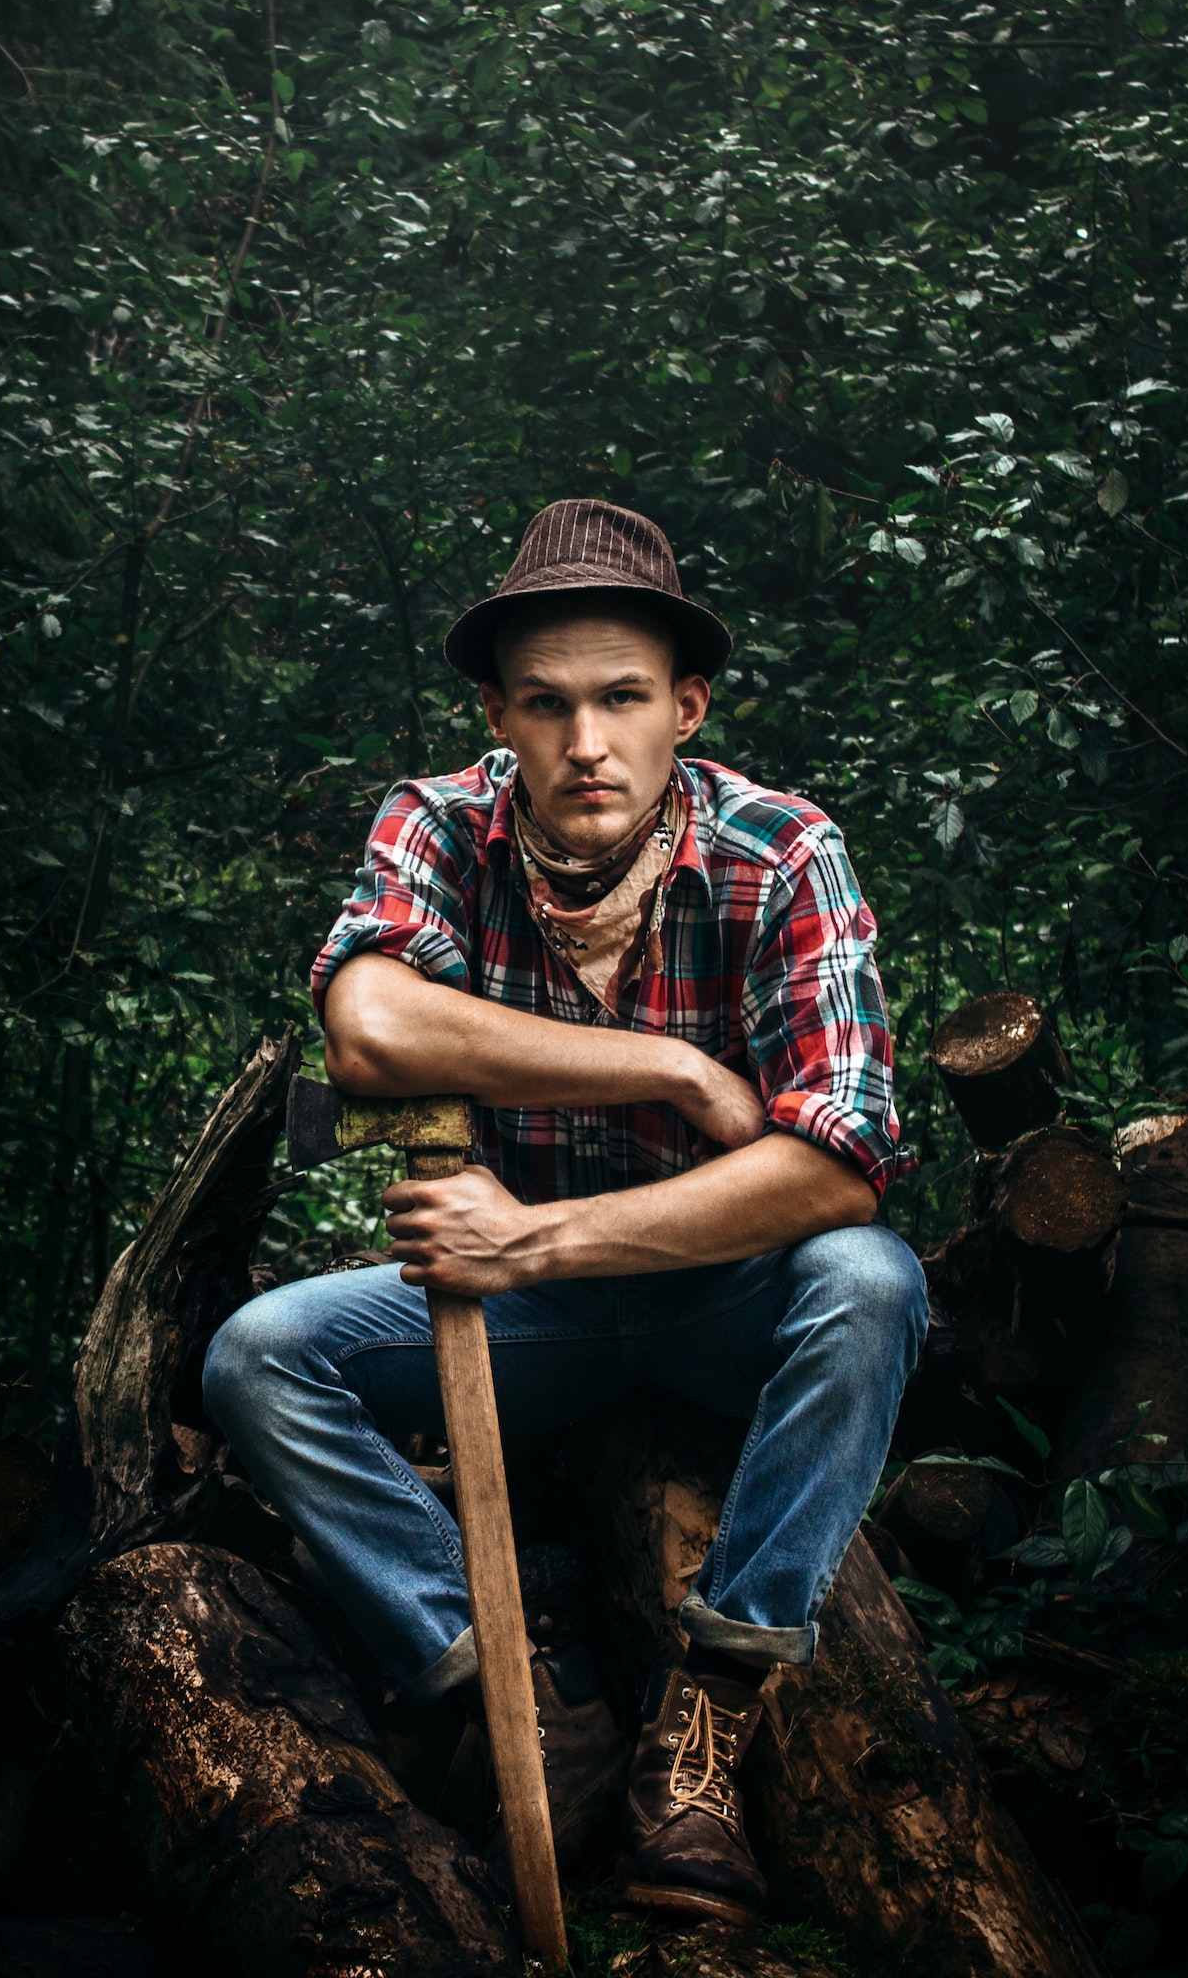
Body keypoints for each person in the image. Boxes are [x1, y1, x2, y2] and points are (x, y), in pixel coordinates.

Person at [203, 498, 926, 1924]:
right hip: (538, 1319)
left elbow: (838, 1165)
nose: (585, 743)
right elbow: (370, 1028)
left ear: (687, 708)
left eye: (622, 699)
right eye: (545, 705)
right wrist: (669, 1068)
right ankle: (514, 1688)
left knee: (871, 1281)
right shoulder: (440, 823)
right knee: (260, 1357)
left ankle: (709, 1721)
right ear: (499, 715)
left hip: (723, 1295)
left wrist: (533, 1238)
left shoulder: (783, 851)